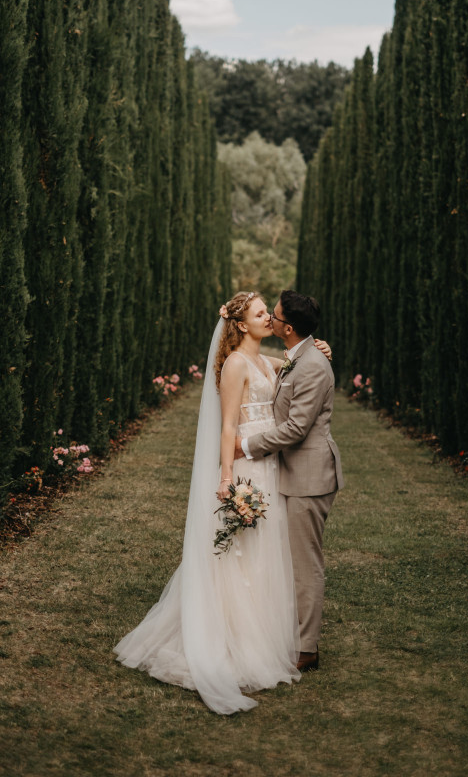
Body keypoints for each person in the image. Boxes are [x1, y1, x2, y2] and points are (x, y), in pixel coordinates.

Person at [113, 290, 332, 714]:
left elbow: (296, 362)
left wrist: (318, 347)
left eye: (270, 313)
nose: (268, 318)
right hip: (247, 466)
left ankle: (266, 635)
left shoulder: (265, 361)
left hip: (271, 468)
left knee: (266, 554)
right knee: (239, 556)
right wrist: (227, 477)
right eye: (260, 313)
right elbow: (228, 427)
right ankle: (233, 639)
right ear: (241, 324)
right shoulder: (234, 365)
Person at [237, 289, 344, 673]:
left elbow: (297, 428)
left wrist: (246, 446)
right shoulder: (299, 355)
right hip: (293, 473)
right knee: (292, 561)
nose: (271, 318)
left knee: (305, 564)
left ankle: (306, 648)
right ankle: (290, 634)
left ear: (289, 328)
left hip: (309, 477)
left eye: (276, 315)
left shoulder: (312, 364)